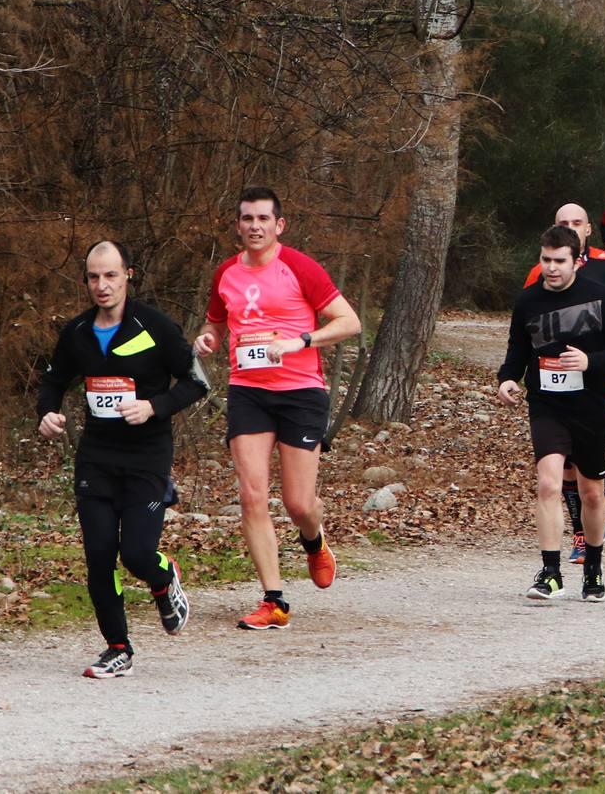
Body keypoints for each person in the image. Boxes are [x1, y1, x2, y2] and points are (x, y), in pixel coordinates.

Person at [37, 241, 210, 678]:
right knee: (99, 554)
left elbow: (195, 382)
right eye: (94, 277)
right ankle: (118, 648)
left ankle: (164, 577)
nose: (102, 285)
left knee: (135, 553)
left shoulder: (154, 325)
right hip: (96, 455)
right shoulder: (77, 332)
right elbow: (53, 381)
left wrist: (154, 407)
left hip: (146, 455)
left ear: (128, 275)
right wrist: (48, 413)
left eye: (111, 275)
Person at [193, 187, 362, 630]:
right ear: (238, 225)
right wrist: (207, 340)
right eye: (247, 218)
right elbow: (214, 323)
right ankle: (274, 601)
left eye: (263, 219)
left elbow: (349, 321)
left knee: (298, 502)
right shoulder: (226, 272)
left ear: (278, 225)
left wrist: (300, 341)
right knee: (252, 495)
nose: (254, 226)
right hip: (248, 391)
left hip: (301, 391)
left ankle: (314, 538)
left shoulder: (300, 267)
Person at [498, 225, 605, 602]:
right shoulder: (527, 301)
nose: (552, 268)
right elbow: (517, 348)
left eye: (559, 261)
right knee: (548, 484)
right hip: (547, 404)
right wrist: (508, 378)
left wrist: (590, 360)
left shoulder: (601, 297)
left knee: (592, 494)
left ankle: (593, 568)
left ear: (577, 261)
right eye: (546, 260)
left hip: (590, 404)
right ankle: (551, 572)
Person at [523, 203, 605, 562]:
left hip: (597, 384)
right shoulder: (535, 279)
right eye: (562, 223)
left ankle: (595, 507)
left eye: (576, 223)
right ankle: (577, 537)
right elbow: (523, 334)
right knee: (557, 472)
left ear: (588, 230)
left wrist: (599, 355)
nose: (552, 267)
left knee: (587, 479)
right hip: (550, 393)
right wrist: (511, 376)